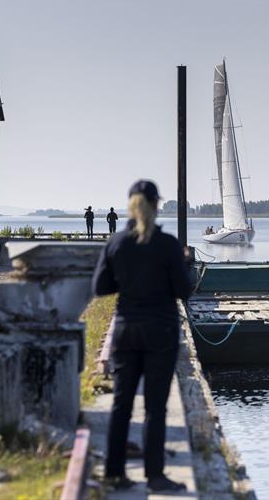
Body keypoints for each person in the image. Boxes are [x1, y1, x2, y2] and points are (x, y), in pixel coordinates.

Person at [92, 180, 192, 493]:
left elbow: (100, 288)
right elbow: (183, 290)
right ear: (156, 204)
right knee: (154, 408)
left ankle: (114, 473)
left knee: (121, 404)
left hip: (125, 331)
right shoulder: (167, 244)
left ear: (130, 205)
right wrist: (185, 263)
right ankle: (155, 477)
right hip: (160, 331)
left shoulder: (117, 242)